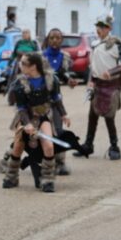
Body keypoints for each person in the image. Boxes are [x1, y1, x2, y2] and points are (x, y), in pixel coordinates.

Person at [2, 53, 68, 193]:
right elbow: (21, 108)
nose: (20, 65)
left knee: (49, 146)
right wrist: (27, 124)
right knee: (18, 146)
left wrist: (64, 115)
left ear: (33, 66)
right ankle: (11, 176)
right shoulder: (20, 83)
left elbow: (56, 99)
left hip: (43, 117)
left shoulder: (51, 80)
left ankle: (48, 179)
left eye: (24, 63)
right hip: (25, 117)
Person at [75, 15, 121, 160]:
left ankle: (114, 146)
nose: (99, 29)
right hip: (97, 86)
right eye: (97, 27)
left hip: (111, 86)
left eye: (102, 27)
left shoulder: (116, 45)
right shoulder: (95, 45)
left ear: (109, 29)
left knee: (109, 117)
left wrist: (111, 72)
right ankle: (88, 145)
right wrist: (91, 82)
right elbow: (94, 67)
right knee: (92, 116)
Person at [42, 28, 77, 176]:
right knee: (35, 132)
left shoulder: (64, 57)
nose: (55, 41)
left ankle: (60, 162)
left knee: (58, 130)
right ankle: (11, 159)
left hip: (56, 100)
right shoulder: (41, 57)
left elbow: (62, 75)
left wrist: (69, 80)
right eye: (52, 38)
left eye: (58, 38)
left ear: (62, 40)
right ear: (48, 40)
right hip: (40, 100)